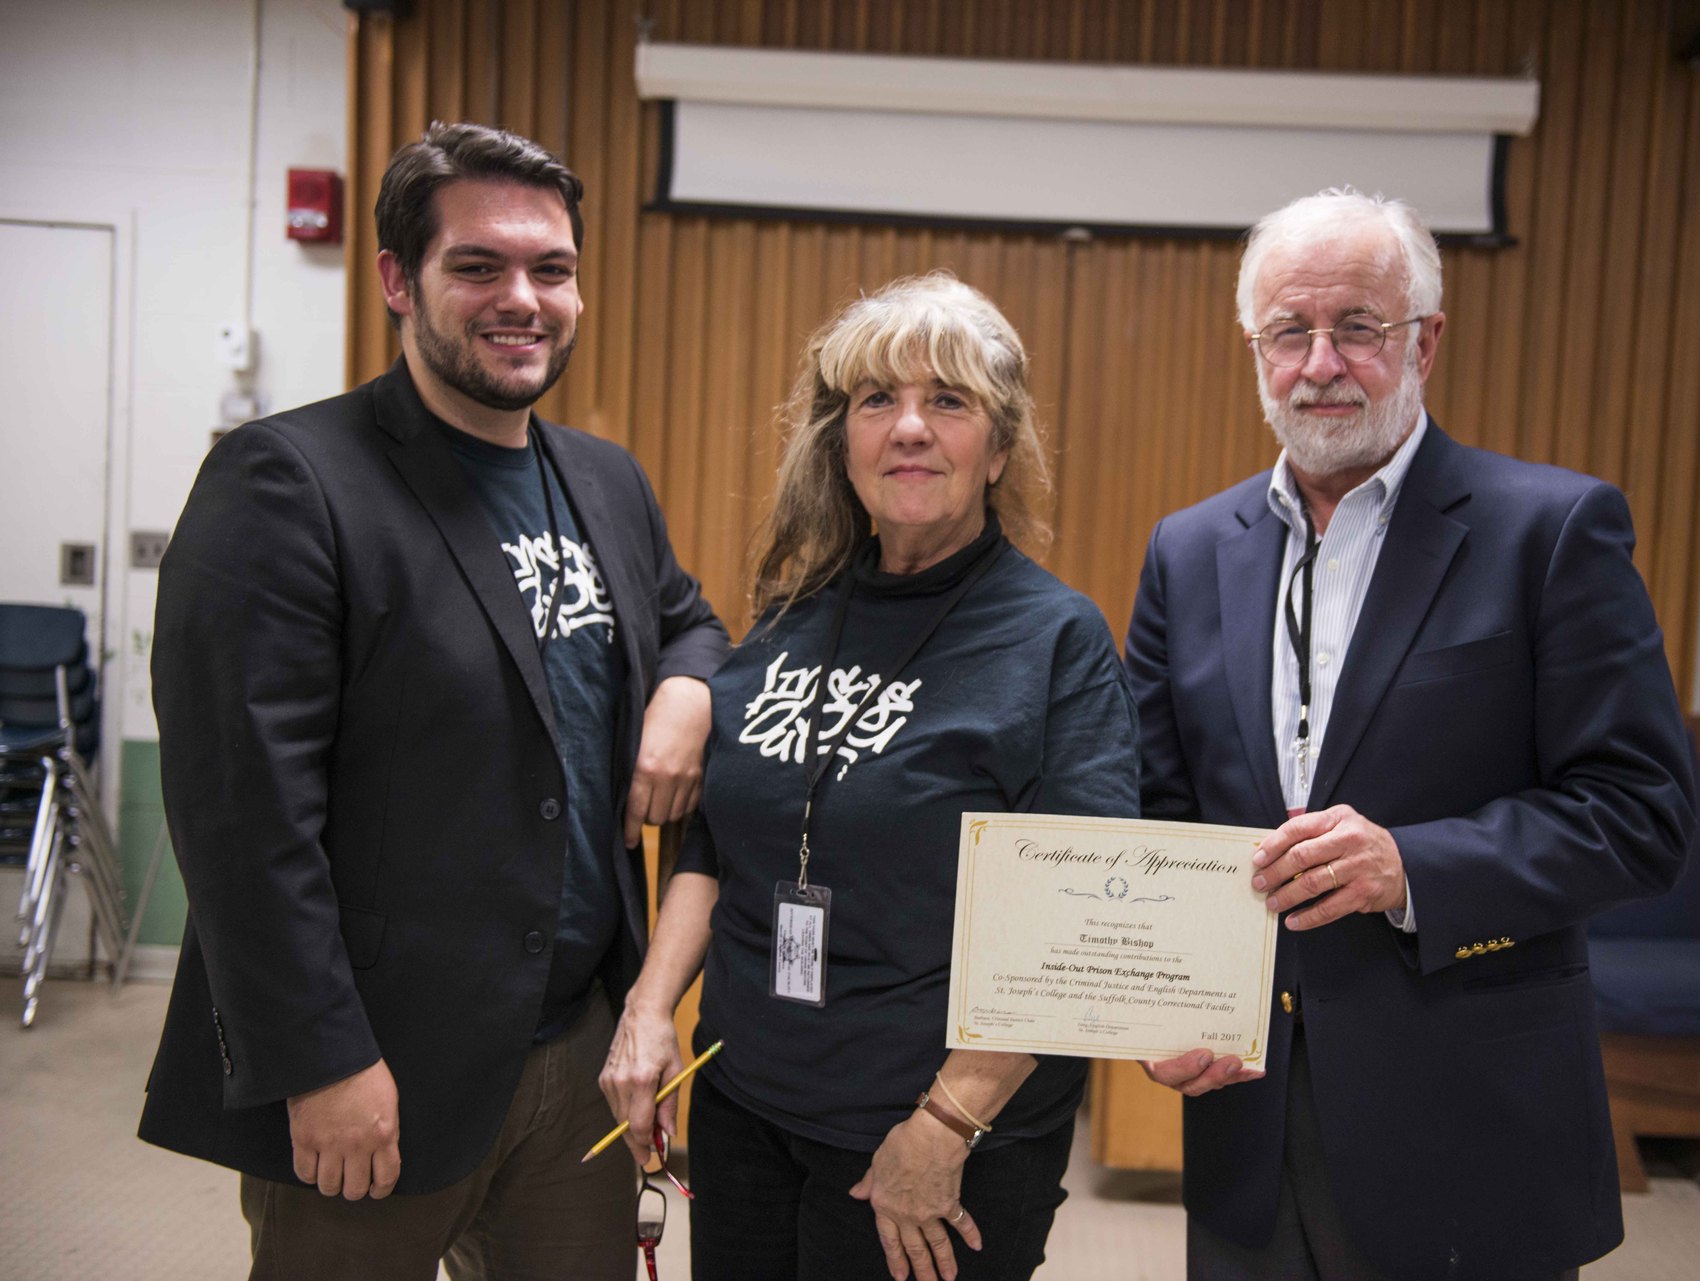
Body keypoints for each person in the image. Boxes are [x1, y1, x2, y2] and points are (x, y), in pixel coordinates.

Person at [139, 122, 730, 1280]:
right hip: (379, 1064)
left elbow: (692, 618)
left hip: (576, 1050)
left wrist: (689, 691)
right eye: (479, 267)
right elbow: (239, 813)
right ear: (399, 281)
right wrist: (319, 1060)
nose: (525, 299)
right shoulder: (290, 482)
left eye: (551, 269)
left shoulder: (603, 480)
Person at [1124, 189, 1696, 1281]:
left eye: (1359, 328)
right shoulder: (1189, 551)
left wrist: (1411, 866)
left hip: (1470, 1122)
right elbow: (1155, 809)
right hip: (1246, 1117)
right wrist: (1160, 998)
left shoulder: (1552, 530)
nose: (1321, 363)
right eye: (1289, 332)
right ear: (1254, 347)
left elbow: (1642, 814)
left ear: (1426, 340)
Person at [599, 271, 1140, 1281]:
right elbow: (719, 840)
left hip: (934, 1135)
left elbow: (1076, 927)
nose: (909, 429)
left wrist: (943, 1126)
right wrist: (647, 1014)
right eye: (877, 400)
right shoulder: (795, 614)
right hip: (747, 1109)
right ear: (838, 439)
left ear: (1000, 446)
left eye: (949, 401)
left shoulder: (1054, 641)